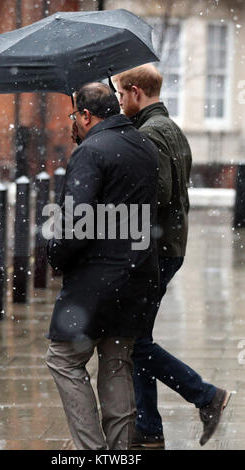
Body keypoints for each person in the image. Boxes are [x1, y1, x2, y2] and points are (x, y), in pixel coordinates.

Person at [114, 64, 231, 449]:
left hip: (154, 252)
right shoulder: (172, 130)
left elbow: (158, 194)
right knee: (138, 337)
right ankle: (149, 432)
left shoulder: (149, 133)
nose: (118, 101)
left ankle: (206, 395)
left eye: (119, 94)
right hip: (169, 248)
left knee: (133, 342)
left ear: (135, 92)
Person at [46, 82, 160, 450]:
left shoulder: (92, 151)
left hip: (95, 279)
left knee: (63, 358)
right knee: (116, 362)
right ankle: (121, 453)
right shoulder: (144, 144)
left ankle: (92, 451)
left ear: (85, 115)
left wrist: (55, 253)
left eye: (74, 117)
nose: (72, 125)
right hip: (138, 274)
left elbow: (75, 222)